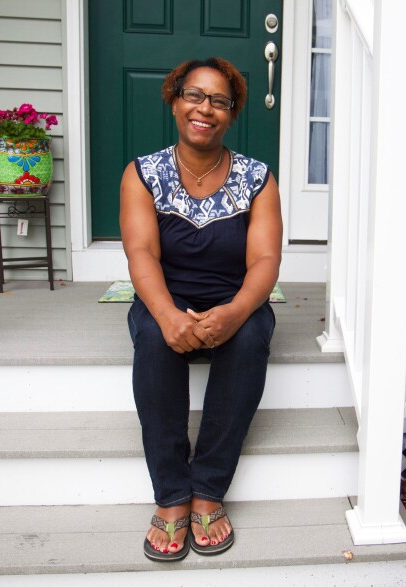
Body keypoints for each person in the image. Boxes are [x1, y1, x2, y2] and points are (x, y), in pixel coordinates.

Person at [120, 57, 282, 562]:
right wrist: (168, 315)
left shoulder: (258, 178)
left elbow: (265, 259)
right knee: (152, 339)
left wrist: (234, 313)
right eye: (194, 95)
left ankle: (208, 489)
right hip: (165, 297)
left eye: (219, 101)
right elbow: (141, 253)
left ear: (231, 115)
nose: (205, 109)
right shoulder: (142, 173)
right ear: (174, 100)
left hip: (236, 300)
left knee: (251, 337)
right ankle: (171, 496)